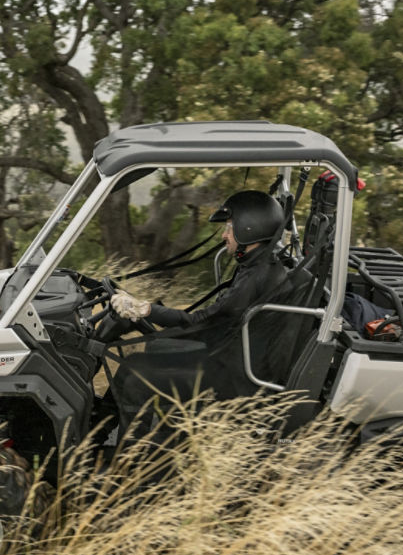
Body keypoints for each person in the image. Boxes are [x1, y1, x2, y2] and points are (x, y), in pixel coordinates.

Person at [102, 190, 292, 477]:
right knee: (142, 358)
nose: (224, 236)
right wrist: (151, 312)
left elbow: (203, 320)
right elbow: (212, 320)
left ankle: (132, 472)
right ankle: (102, 437)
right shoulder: (258, 267)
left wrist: (145, 310)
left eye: (229, 227)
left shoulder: (257, 276)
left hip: (232, 376)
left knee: (136, 379)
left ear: (248, 227)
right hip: (230, 355)